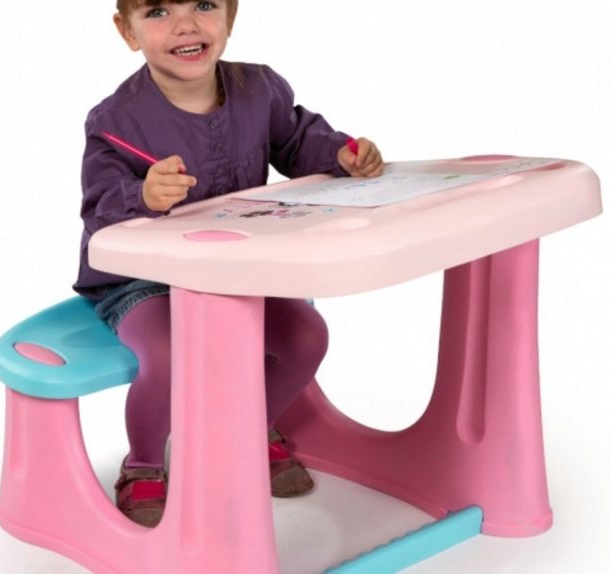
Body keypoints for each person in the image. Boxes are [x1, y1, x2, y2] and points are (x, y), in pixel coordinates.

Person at [74, 0, 384, 528]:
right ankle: (143, 463)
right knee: (170, 354)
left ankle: (250, 429)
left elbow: (297, 141)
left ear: (230, 16)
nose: (186, 25)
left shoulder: (259, 90)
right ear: (127, 31)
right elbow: (98, 206)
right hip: (143, 279)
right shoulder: (115, 120)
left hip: (237, 271)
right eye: (158, 11)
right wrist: (142, 195)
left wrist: (340, 155)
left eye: (204, 4)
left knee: (306, 338)